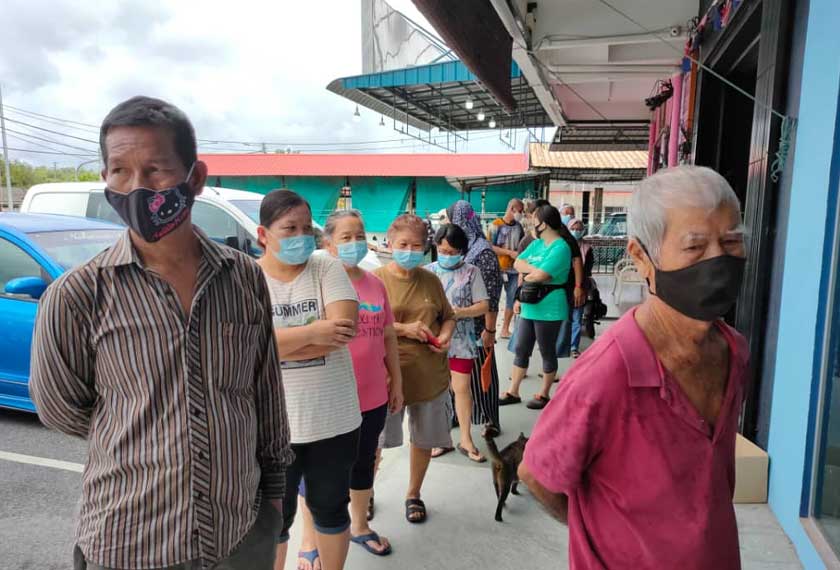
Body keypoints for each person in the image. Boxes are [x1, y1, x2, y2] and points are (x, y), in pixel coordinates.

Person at [30, 96, 293, 570]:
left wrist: (274, 501)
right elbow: (61, 410)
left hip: (241, 533)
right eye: (119, 171)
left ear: (195, 178)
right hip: (130, 541)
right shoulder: (78, 295)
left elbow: (265, 392)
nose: (136, 188)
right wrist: (150, 430)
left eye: (155, 170)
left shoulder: (243, 277)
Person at [519, 166, 749, 569]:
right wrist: (610, 538)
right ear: (642, 257)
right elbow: (537, 476)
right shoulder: (606, 374)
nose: (719, 260)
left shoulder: (734, 350)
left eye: (731, 241)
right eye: (695, 247)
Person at [257, 190, 362, 570]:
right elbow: (247, 347)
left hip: (333, 421)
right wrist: (314, 333)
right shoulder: (249, 278)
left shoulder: (326, 267)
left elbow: (344, 331)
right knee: (273, 519)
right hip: (272, 427)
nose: (301, 236)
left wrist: (275, 343)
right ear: (262, 235)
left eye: (306, 228)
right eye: (289, 228)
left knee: (331, 509)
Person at [294, 210, 404, 565]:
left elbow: (387, 335)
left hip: (372, 395)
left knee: (365, 462)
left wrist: (396, 382)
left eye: (359, 235)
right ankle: (309, 539)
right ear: (328, 244)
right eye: (346, 237)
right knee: (318, 472)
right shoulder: (317, 283)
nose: (355, 243)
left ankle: (359, 526)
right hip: (329, 399)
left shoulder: (375, 284)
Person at [374, 214, 457, 524]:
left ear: (426, 248)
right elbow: (363, 324)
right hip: (385, 377)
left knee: (423, 439)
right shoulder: (375, 280)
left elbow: (448, 316)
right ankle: (365, 493)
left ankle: (413, 493)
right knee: (375, 444)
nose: (409, 250)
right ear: (390, 244)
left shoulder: (431, 280)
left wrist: (446, 335)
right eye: (403, 244)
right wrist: (404, 329)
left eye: (417, 245)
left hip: (428, 377)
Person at [427, 223, 490, 462]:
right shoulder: (427, 272)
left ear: (462, 251)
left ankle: (466, 439)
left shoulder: (472, 272)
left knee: (462, 389)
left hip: (462, 341)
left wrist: (459, 313)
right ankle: (441, 439)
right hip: (433, 342)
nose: (447, 256)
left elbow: (484, 305)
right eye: (443, 251)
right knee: (438, 391)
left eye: (453, 252)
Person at [500, 205, 572, 410]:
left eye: (535, 221)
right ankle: (513, 390)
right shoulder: (538, 244)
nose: (532, 224)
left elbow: (541, 276)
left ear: (545, 224)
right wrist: (534, 270)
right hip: (530, 304)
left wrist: (533, 272)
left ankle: (544, 393)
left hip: (550, 306)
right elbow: (518, 264)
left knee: (547, 350)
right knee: (522, 348)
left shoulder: (561, 247)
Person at [447, 200, 504, 436]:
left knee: (483, 374)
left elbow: (492, 295)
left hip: (479, 325)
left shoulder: (483, 252)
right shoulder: (463, 247)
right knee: (459, 378)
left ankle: (491, 419)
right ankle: (459, 416)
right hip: (459, 327)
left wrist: (489, 331)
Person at [487, 198, 525, 338]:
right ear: (512, 209)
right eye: (520, 211)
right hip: (497, 269)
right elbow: (489, 246)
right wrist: (509, 253)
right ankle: (490, 328)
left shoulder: (519, 227)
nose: (521, 214)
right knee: (493, 299)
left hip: (514, 270)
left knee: (511, 298)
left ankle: (505, 329)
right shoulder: (495, 225)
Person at [566, 217, 594, 358]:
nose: (576, 231)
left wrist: (581, 288)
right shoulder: (563, 245)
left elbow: (587, 271)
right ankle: (562, 346)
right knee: (565, 318)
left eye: (579, 229)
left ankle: (573, 347)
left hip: (580, 288)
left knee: (577, 318)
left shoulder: (587, 248)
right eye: (573, 229)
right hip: (564, 287)